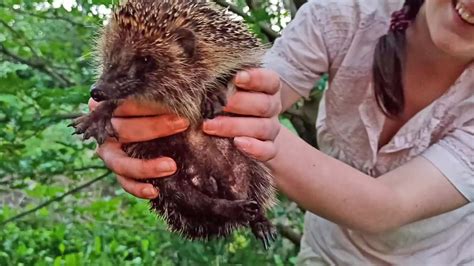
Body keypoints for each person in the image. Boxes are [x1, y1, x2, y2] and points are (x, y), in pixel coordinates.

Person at [88, 0, 474, 264]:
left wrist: (251, 131)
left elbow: (388, 206)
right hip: (326, 251)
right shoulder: (346, 12)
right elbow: (257, 89)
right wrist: (134, 120)